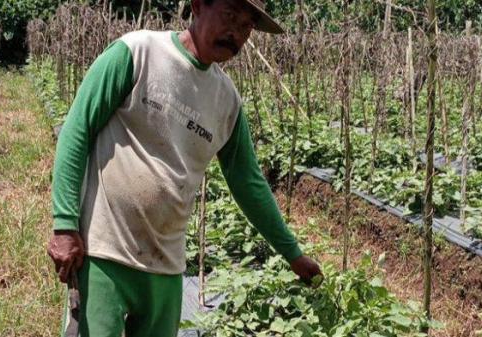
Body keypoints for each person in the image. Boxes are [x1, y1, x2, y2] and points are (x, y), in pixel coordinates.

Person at [47, 0, 321, 336]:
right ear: (198, 6)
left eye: (247, 26)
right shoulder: (137, 53)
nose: (236, 32)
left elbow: (248, 183)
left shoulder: (227, 101)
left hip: (166, 266)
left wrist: (292, 255)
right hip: (105, 252)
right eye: (230, 15)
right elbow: (77, 131)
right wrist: (64, 225)